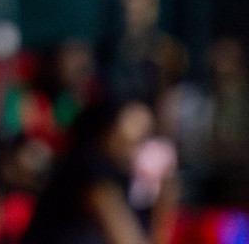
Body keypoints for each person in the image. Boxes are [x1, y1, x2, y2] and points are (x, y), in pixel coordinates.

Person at [22, 97, 170, 244]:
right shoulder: (89, 170)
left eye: (144, 137)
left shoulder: (122, 179)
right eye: (130, 140)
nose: (136, 148)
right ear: (106, 130)